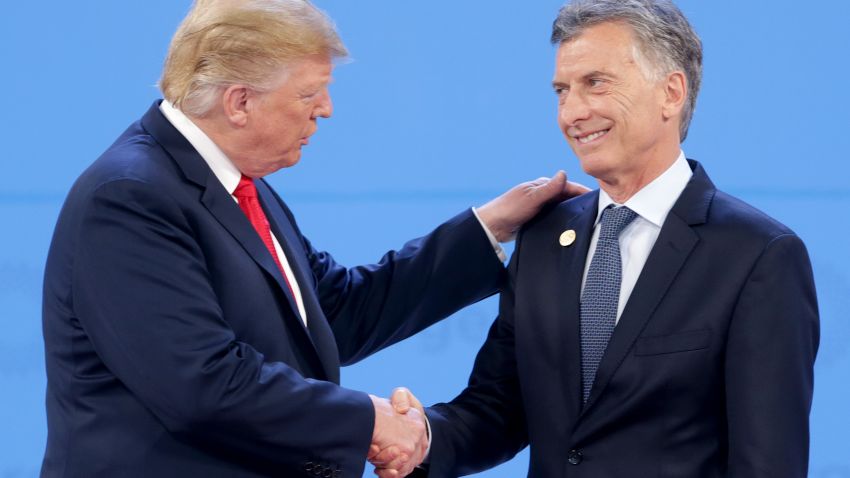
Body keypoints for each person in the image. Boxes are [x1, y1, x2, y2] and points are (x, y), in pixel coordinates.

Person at [40, 1, 588, 476]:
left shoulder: (236, 186)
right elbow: (201, 385)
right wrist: (371, 421)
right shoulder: (130, 196)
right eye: (310, 94)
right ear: (239, 102)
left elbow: (333, 313)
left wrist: (493, 226)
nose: (325, 110)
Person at [376, 0, 820, 476]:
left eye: (596, 83)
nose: (572, 112)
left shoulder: (757, 255)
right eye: (561, 91)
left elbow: (768, 462)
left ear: (671, 93)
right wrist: (422, 436)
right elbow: (500, 407)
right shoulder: (546, 237)